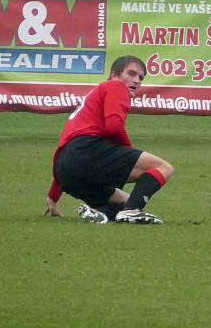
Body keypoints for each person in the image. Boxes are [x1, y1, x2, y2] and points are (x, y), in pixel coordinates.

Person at [42, 55, 174, 224]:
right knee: (164, 168)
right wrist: (129, 155)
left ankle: (102, 215)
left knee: (129, 200)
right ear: (115, 75)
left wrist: (53, 196)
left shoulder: (92, 100)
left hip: (66, 172)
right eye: (131, 74)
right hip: (86, 154)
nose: (136, 81)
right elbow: (113, 126)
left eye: (140, 78)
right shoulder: (116, 86)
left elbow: (66, 152)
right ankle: (132, 212)